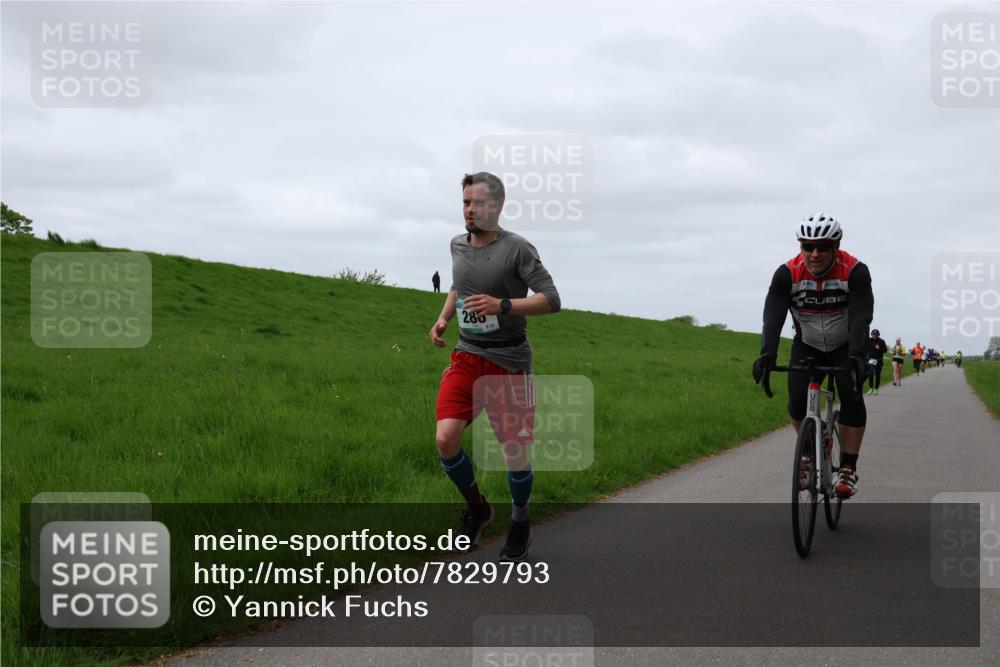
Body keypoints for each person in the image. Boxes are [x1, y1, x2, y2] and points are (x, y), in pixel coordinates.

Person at [429, 171, 561, 561]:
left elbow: (551, 299)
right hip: (467, 355)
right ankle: (479, 510)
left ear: (498, 205)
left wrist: (501, 305)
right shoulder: (457, 244)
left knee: (513, 452)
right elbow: (459, 287)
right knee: (445, 439)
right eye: (466, 202)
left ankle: (520, 520)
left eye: (478, 203)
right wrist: (443, 318)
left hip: (509, 361)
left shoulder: (517, 248)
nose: (470, 210)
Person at [753, 213, 873, 498]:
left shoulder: (854, 271)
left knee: (851, 393)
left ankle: (848, 467)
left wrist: (857, 356)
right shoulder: (787, 274)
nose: (814, 253)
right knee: (796, 400)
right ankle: (809, 452)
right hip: (807, 344)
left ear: (836, 245)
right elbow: (773, 316)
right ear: (801, 246)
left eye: (822, 247)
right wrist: (767, 353)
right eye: (808, 246)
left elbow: (861, 316)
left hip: (845, 344)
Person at [866, 329, 888, 395]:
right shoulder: (869, 340)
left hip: (879, 360)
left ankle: (876, 389)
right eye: (873, 334)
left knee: (877, 375)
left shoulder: (881, 341)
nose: (874, 335)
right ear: (871, 334)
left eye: (876, 334)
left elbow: (885, 350)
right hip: (870, 360)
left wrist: (879, 348)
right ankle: (870, 388)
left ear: (878, 335)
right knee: (871, 373)